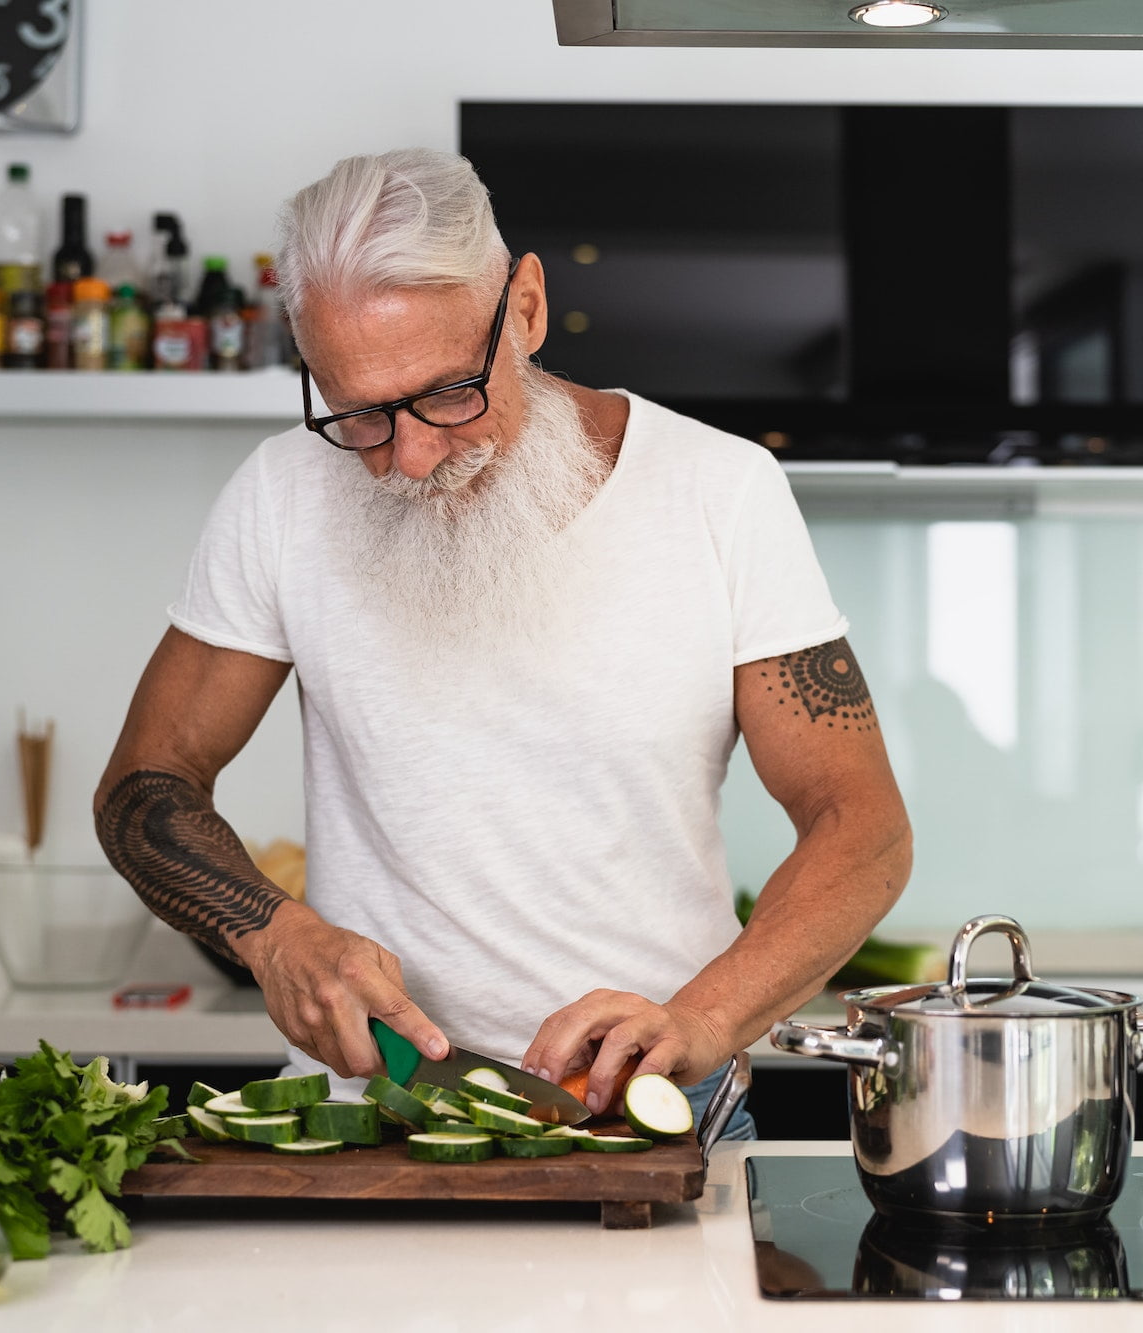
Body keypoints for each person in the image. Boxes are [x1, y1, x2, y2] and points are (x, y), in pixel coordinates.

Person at [94, 149, 912, 1135]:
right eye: (356, 412)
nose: (407, 455)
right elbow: (147, 781)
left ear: (524, 308)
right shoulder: (280, 496)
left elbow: (859, 825)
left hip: (657, 1115)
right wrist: (274, 936)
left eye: (447, 392)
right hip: (381, 1115)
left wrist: (699, 1020)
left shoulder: (718, 492)